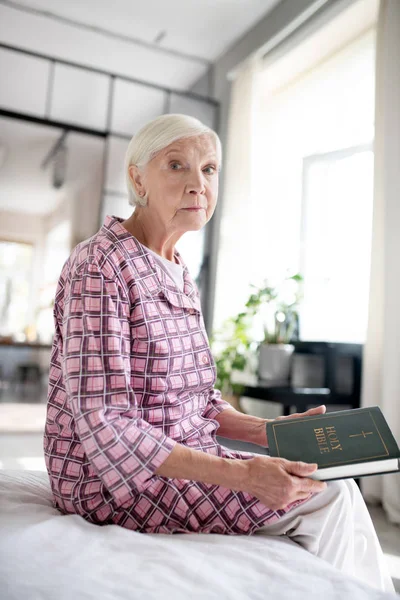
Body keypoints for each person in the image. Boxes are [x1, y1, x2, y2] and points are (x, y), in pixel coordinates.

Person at [44, 113, 394, 593]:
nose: (196, 184)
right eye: (176, 165)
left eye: (208, 169)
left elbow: (201, 401)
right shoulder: (99, 266)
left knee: (326, 481)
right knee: (328, 498)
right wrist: (242, 474)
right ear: (137, 176)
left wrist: (271, 433)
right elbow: (106, 423)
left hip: (179, 456)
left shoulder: (178, 271)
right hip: (107, 480)